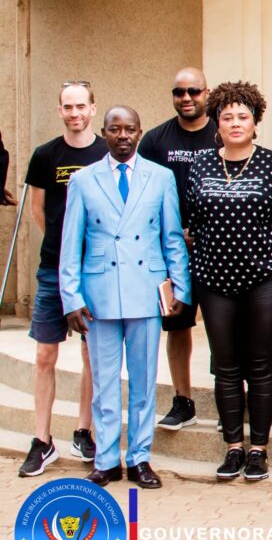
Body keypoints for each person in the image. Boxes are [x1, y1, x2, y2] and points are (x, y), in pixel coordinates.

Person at [59, 106, 191, 488]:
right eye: (114, 129)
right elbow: (72, 244)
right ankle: (105, 459)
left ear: (139, 132)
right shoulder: (83, 180)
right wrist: (71, 297)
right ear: (104, 133)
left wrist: (179, 287)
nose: (122, 136)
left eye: (129, 129)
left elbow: (171, 239)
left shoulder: (160, 177)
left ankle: (139, 458)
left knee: (144, 380)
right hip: (98, 293)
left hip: (145, 290)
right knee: (103, 382)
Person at [186, 82, 272, 482]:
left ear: (255, 122)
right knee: (226, 366)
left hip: (266, 278)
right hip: (214, 279)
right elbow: (193, 223)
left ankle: (259, 451)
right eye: (227, 116)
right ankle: (233, 447)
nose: (234, 123)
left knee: (260, 365)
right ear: (216, 121)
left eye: (242, 117)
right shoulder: (201, 165)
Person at [18, 82, 107, 477]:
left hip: (95, 273)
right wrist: (64, 248)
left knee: (93, 355)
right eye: (67, 107)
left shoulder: (107, 151)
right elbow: (38, 210)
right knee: (44, 355)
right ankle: (42, 440)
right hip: (53, 270)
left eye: (80, 106)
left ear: (92, 109)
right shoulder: (44, 155)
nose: (74, 113)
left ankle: (83, 430)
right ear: (60, 111)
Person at [137, 67, 217, 432]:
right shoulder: (155, 141)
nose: (186, 98)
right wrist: (170, 235)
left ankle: (230, 402)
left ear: (207, 93)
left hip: (217, 247)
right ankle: (183, 400)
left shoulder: (223, 131)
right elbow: (143, 195)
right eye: (179, 92)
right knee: (177, 325)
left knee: (223, 327)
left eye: (194, 91)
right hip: (171, 252)